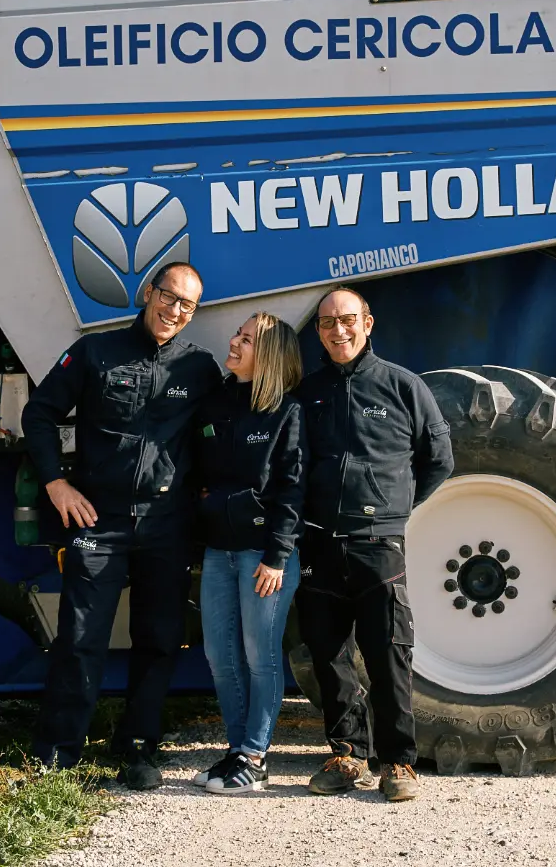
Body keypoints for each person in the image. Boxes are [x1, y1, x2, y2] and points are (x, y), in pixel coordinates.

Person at [21, 262, 223, 790]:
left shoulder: (199, 367)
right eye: (168, 296)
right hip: (99, 520)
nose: (174, 310)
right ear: (148, 292)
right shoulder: (95, 351)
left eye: (186, 305)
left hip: (167, 523)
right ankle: (56, 757)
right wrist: (56, 484)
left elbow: (219, 434)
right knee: (79, 638)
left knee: (159, 640)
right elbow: (39, 414)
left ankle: (137, 748)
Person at [295, 287, 453, 802]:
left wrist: (393, 509)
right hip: (319, 545)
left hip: (377, 545)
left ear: (367, 323)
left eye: (346, 320)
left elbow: (438, 460)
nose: (337, 330)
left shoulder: (404, 386)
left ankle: (398, 763)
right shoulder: (307, 393)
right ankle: (346, 756)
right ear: (318, 332)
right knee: (329, 657)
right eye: (326, 323)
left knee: (388, 656)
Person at [189, 312, 306, 795]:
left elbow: (292, 488)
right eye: (238, 335)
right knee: (220, 656)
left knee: (261, 656)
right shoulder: (214, 403)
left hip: (264, 556)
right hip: (219, 551)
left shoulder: (286, 412)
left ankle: (255, 756)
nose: (235, 343)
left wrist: (277, 556)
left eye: (248, 340)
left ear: (271, 356)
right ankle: (237, 751)